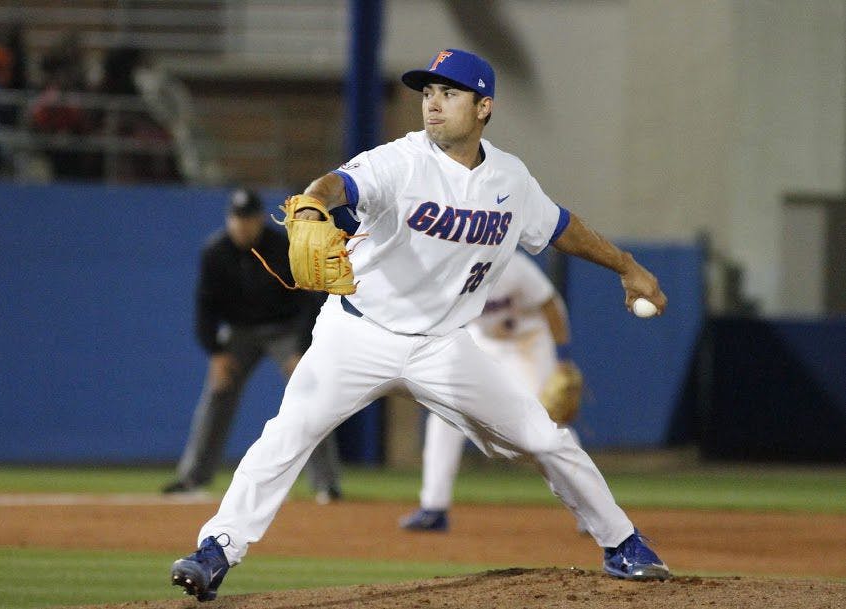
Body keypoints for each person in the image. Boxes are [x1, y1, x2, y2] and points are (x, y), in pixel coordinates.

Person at [170, 48, 670, 602]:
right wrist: (313, 207)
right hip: (358, 334)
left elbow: (559, 227)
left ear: (484, 108)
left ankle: (622, 542)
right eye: (427, 92)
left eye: (449, 93)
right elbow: (334, 185)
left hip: (444, 347)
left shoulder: (510, 178)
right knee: (289, 432)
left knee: (544, 439)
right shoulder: (399, 161)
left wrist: (628, 266)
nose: (432, 103)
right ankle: (216, 549)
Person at [162, 187, 343, 505]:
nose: (241, 225)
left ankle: (325, 483)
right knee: (218, 392)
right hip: (239, 332)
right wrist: (215, 353)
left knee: (309, 394)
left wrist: (301, 349)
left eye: (247, 218)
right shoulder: (215, 252)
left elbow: (309, 300)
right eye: (236, 218)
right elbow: (205, 307)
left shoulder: (282, 246)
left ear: (260, 219)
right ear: (229, 219)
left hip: (285, 330)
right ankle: (193, 476)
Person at [399, 250, 585, 532]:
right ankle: (433, 508)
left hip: (527, 342)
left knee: (545, 424)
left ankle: (588, 511)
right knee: (445, 416)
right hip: (483, 341)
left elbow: (550, 305)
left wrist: (563, 357)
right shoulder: (450, 267)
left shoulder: (514, 267)